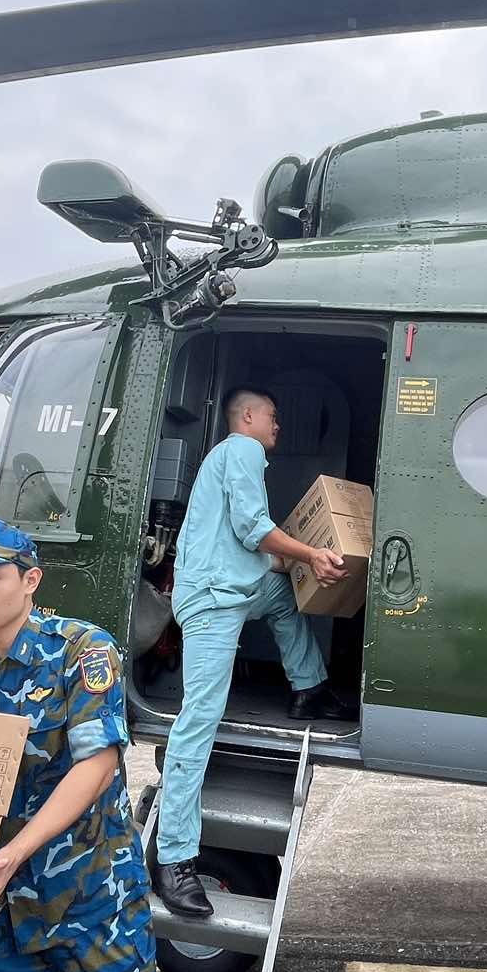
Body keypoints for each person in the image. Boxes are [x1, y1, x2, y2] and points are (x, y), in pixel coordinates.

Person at [152, 387, 354, 918]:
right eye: (273, 416)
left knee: (284, 597)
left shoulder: (234, 459)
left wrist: (298, 565)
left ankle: (308, 690)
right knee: (200, 718)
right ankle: (173, 858)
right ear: (247, 416)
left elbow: (247, 541)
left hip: (236, 586)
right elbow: (252, 528)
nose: (278, 426)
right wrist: (311, 551)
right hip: (215, 600)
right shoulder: (241, 450)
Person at [0, 519, 155, 972]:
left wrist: (15, 852)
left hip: (93, 901)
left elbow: (97, 766)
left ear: (30, 580)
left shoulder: (82, 651)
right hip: (4, 910)